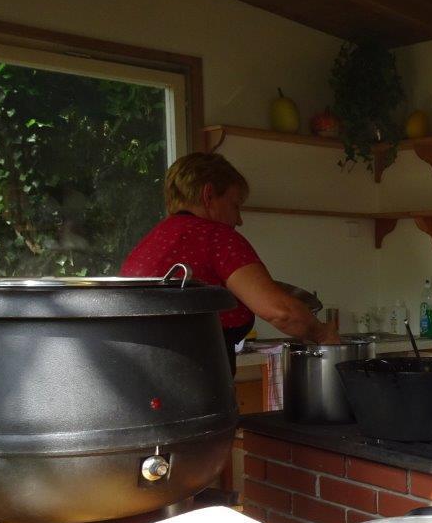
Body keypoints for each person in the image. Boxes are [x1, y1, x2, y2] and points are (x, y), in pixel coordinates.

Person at [120, 152, 338, 371]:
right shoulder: (215, 236)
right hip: (192, 377)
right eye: (235, 206)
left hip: (133, 376)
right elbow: (281, 312)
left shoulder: (150, 241)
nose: (239, 220)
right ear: (208, 195)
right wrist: (322, 333)